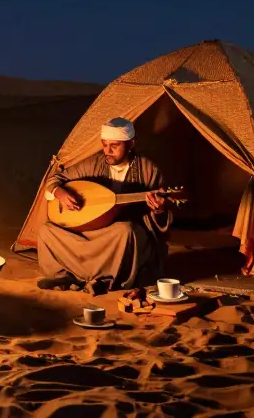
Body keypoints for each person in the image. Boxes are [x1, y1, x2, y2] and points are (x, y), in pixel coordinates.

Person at [36, 117, 174, 294]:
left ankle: (107, 280)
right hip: (91, 226)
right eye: (104, 144)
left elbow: (160, 225)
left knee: (126, 231)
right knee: (47, 231)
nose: (107, 151)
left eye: (114, 146)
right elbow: (55, 179)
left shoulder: (149, 170)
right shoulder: (94, 163)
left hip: (117, 234)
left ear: (130, 143)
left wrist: (158, 209)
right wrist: (59, 192)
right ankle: (64, 275)